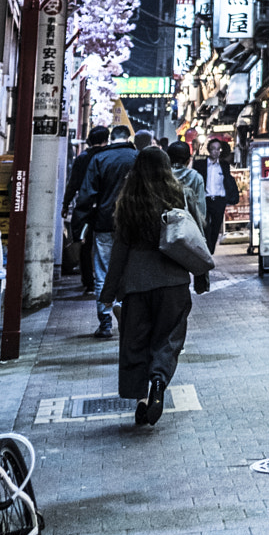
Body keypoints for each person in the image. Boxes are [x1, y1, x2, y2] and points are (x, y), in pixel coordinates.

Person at [98, 147, 195, 428]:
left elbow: (120, 249)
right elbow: (193, 236)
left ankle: (142, 399)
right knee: (168, 339)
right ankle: (158, 382)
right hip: (174, 280)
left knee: (136, 342)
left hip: (137, 284)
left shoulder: (128, 200)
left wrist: (108, 292)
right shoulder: (178, 195)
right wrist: (201, 273)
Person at [71, 123, 138, 337]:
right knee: (131, 269)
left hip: (104, 222)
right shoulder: (138, 159)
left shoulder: (98, 159)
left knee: (102, 271)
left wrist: (78, 225)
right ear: (128, 138)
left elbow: (86, 194)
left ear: (111, 139)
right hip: (134, 222)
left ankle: (106, 321)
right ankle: (130, 317)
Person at [62, 126, 108, 296]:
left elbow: (73, 183)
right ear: (106, 140)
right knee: (105, 244)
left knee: (85, 245)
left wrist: (65, 204)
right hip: (105, 207)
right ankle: (104, 280)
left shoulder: (82, 158)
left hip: (85, 207)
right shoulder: (107, 157)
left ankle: (89, 282)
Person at [202, 137, 239, 253]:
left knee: (216, 227)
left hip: (219, 200)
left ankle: (210, 251)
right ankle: (206, 249)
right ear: (209, 150)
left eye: (218, 149)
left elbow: (227, 181)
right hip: (205, 200)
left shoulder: (224, 165)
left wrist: (227, 196)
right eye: (213, 149)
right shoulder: (201, 164)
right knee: (205, 226)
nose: (216, 152)